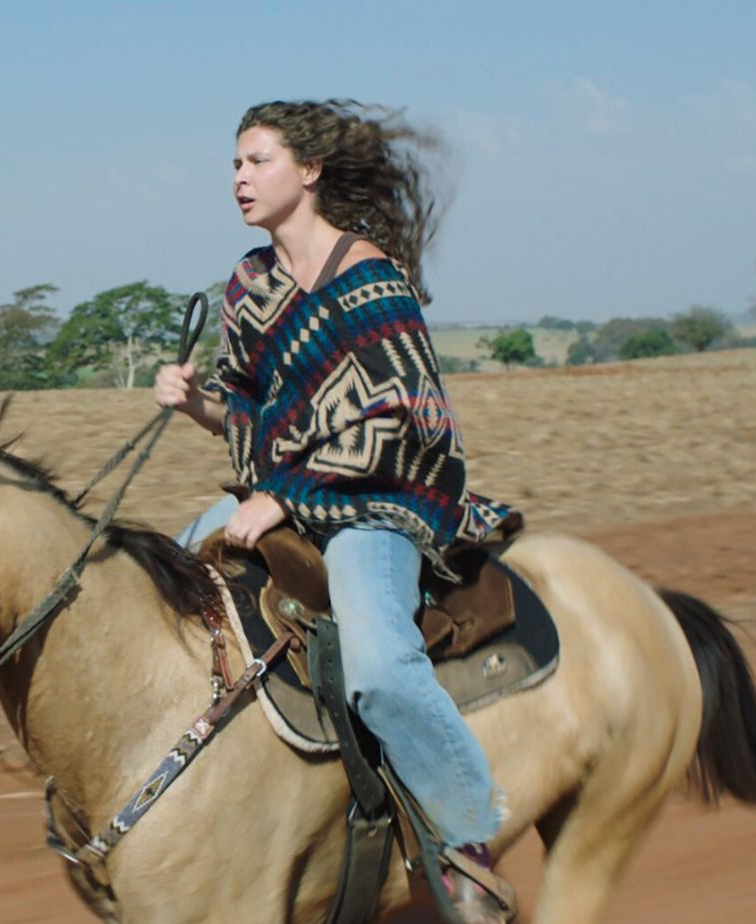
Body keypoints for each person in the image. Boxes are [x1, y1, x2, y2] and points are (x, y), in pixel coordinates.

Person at [155, 100, 518, 923]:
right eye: (236, 165)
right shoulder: (248, 285)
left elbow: (404, 414)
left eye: (259, 161)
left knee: (383, 671)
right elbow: (251, 413)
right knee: (156, 587)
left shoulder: (371, 278)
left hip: (376, 503)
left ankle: (467, 841)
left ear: (308, 173)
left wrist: (281, 494)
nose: (241, 179)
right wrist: (198, 409)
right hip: (276, 501)